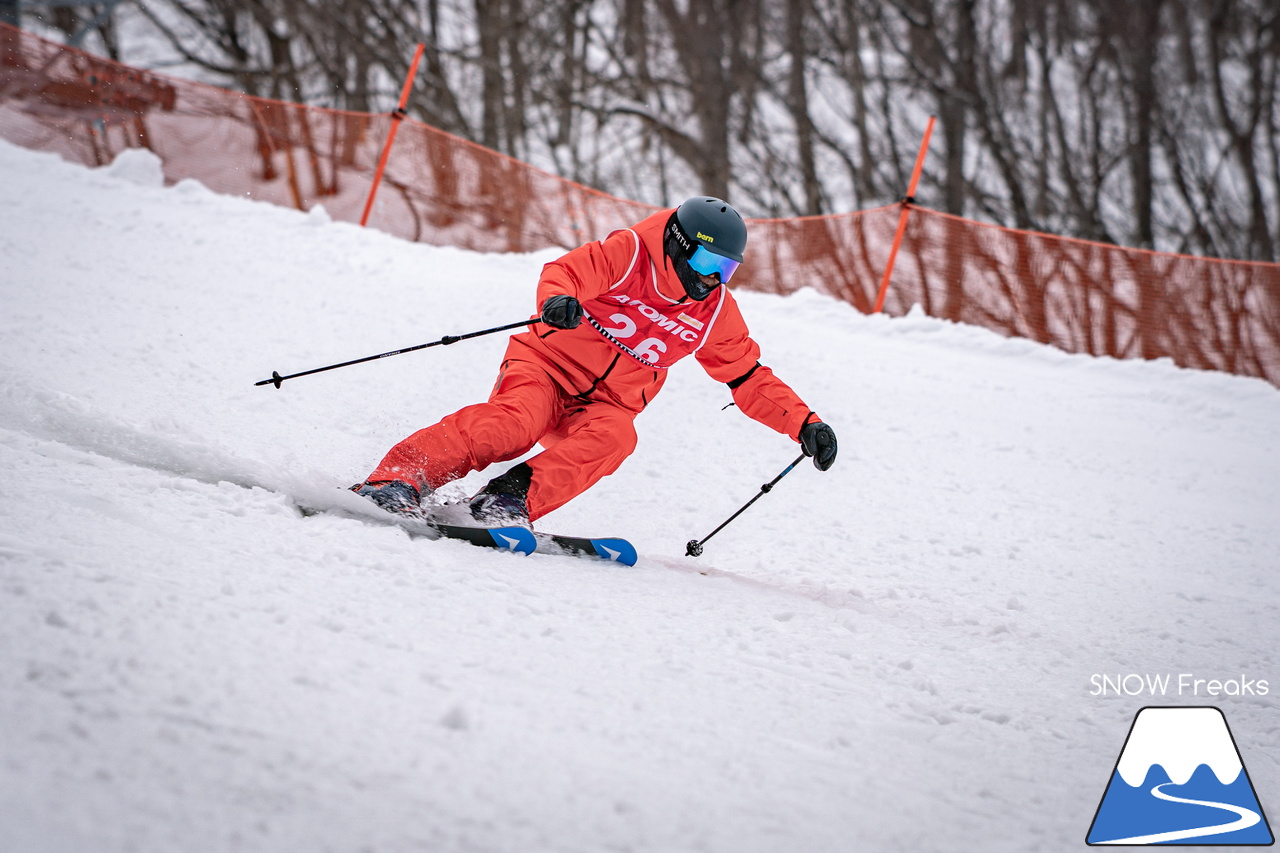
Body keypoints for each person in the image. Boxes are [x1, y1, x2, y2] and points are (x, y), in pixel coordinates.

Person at [352, 196, 838, 526]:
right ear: (679, 246)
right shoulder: (629, 254)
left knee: (617, 437)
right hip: (546, 367)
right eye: (709, 266)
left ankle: (505, 501)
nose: (714, 280)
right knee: (514, 427)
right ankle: (397, 479)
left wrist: (804, 424)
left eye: (726, 271)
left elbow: (748, 376)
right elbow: (565, 271)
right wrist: (558, 301)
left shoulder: (713, 312)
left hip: (605, 404)